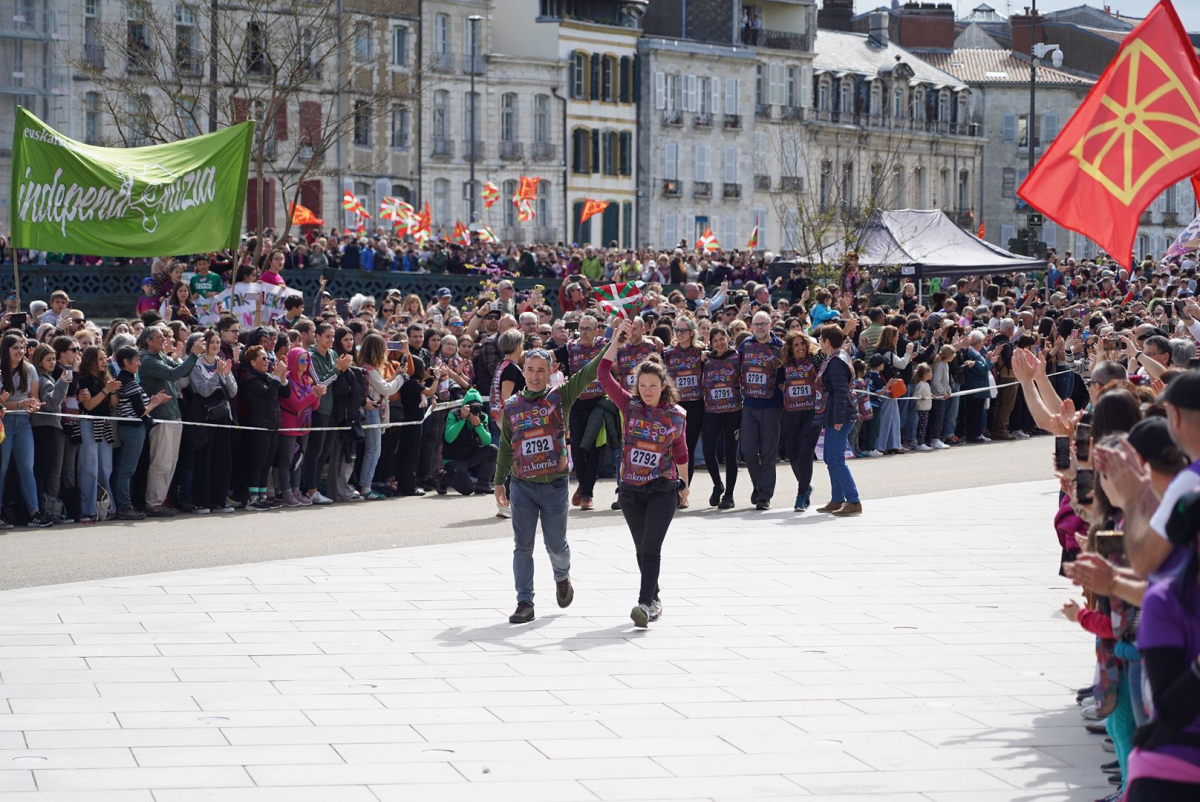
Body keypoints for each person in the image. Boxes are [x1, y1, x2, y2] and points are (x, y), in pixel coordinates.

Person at [493, 343, 604, 625]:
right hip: (522, 486)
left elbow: (590, 372)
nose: (534, 375)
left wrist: (614, 340)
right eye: (530, 369)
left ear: (550, 371)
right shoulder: (512, 406)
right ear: (524, 370)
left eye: (540, 370)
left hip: (554, 486)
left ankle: (562, 576)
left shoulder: (560, 396)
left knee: (556, 546)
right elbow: (507, 446)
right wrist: (499, 482)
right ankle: (524, 602)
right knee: (522, 546)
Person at [599, 320, 689, 627]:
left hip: (663, 489)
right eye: (642, 385)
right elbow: (602, 374)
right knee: (641, 548)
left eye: (653, 385)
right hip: (630, 491)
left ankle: (644, 604)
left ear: (664, 386)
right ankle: (655, 596)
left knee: (651, 547)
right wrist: (615, 340)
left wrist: (685, 486)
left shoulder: (676, 416)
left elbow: (681, 453)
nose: (647, 390)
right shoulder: (628, 405)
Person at [136, 325, 204, 517]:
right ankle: (153, 503)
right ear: (148, 341)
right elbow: (173, 374)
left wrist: (190, 356)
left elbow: (179, 371)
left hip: (173, 415)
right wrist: (193, 354)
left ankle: (160, 500)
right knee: (161, 462)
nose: (163, 340)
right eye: (159, 337)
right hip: (161, 417)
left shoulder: (160, 356)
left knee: (171, 461)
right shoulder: (147, 359)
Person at [110, 345, 171, 521]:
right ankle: (124, 507)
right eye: (136, 360)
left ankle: (125, 505)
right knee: (127, 470)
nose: (139, 364)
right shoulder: (128, 382)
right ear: (125, 362)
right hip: (133, 430)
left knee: (125, 469)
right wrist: (156, 402)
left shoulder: (127, 380)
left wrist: (152, 400)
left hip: (131, 429)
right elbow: (140, 411)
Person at [553, 313, 606, 511]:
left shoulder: (603, 346)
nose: (583, 332)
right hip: (576, 404)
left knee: (592, 449)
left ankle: (587, 494)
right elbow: (551, 355)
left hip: (597, 404)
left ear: (596, 331)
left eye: (587, 329)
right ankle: (583, 485)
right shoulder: (571, 347)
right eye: (581, 328)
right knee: (576, 449)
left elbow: (623, 344)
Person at [813, 325, 862, 516]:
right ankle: (837, 499)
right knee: (830, 458)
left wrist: (839, 419)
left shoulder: (835, 363)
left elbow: (841, 392)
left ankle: (853, 500)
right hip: (834, 414)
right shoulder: (835, 356)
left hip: (839, 415)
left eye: (821, 339)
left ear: (827, 342)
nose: (818, 342)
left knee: (835, 459)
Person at [188, 331, 237, 514]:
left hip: (223, 418)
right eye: (212, 342)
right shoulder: (196, 364)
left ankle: (219, 501)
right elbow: (203, 391)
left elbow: (233, 391)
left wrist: (225, 374)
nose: (216, 345)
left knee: (222, 460)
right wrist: (217, 374)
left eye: (218, 342)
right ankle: (201, 501)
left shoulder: (221, 362)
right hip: (204, 417)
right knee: (204, 460)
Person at [739, 310, 784, 510]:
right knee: (747, 450)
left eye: (763, 324)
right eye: (756, 324)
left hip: (772, 406)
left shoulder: (780, 347)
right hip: (749, 405)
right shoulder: (745, 345)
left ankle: (764, 496)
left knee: (768, 453)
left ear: (770, 325)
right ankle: (759, 486)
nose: (759, 327)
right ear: (751, 327)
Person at [240, 345, 290, 510]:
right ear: (253, 362)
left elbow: (286, 393)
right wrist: (275, 376)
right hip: (259, 425)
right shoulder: (251, 379)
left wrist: (281, 377)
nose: (267, 361)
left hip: (273, 425)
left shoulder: (268, 377)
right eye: (263, 358)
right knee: (258, 461)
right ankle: (252, 498)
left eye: (268, 358)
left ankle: (262, 495)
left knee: (268, 462)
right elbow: (267, 393)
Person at [356, 333, 405, 500]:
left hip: (373, 410)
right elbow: (387, 390)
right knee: (373, 450)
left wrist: (394, 377)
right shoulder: (370, 370)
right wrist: (401, 378)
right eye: (383, 348)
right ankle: (366, 487)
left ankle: (365, 485)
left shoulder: (367, 368)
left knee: (372, 450)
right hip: (371, 412)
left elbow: (381, 386)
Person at [74, 345, 118, 524]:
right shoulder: (83, 379)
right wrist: (106, 390)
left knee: (106, 468)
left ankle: (107, 507)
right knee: (90, 467)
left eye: (104, 358)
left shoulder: (104, 378)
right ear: (90, 360)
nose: (104, 361)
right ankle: (88, 509)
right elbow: (89, 405)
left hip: (104, 424)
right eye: (100, 359)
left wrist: (113, 390)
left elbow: (114, 403)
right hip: (88, 423)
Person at [779, 329, 821, 511]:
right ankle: (806, 486)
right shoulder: (784, 366)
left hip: (811, 413)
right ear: (790, 348)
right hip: (790, 414)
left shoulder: (814, 362)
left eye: (802, 343)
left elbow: (828, 352)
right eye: (796, 345)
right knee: (794, 455)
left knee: (805, 454)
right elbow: (778, 385)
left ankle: (801, 494)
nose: (800, 348)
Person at [278, 347, 325, 507]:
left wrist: (316, 395)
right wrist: (314, 395)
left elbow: (314, 406)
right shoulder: (288, 380)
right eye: (301, 360)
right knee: (287, 460)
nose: (305, 364)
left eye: (307, 360)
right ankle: (286, 492)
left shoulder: (308, 380)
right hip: (289, 425)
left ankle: (296, 491)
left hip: (305, 425)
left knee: (299, 460)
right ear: (293, 361)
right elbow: (296, 405)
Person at [701, 325, 741, 509]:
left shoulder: (737, 357)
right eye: (715, 340)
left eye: (722, 339)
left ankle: (730, 495)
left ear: (728, 338)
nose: (719, 343)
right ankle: (718, 485)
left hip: (733, 413)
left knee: (730, 454)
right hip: (711, 412)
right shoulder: (706, 360)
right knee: (708, 451)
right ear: (710, 343)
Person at [664, 315, 704, 494]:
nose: (679, 334)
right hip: (675, 408)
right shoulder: (668, 353)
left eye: (683, 330)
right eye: (676, 330)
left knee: (688, 447)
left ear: (691, 333)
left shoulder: (701, 353)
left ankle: (684, 490)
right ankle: (674, 487)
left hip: (695, 406)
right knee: (673, 448)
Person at [440, 388, 496, 496]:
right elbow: (449, 438)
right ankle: (443, 478)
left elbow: (487, 441)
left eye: (477, 408)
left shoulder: (482, 416)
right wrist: (462, 419)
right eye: (471, 407)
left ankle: (482, 485)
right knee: (467, 490)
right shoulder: (454, 414)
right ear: (464, 406)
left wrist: (478, 426)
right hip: (454, 458)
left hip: (470, 456)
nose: (474, 410)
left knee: (492, 449)